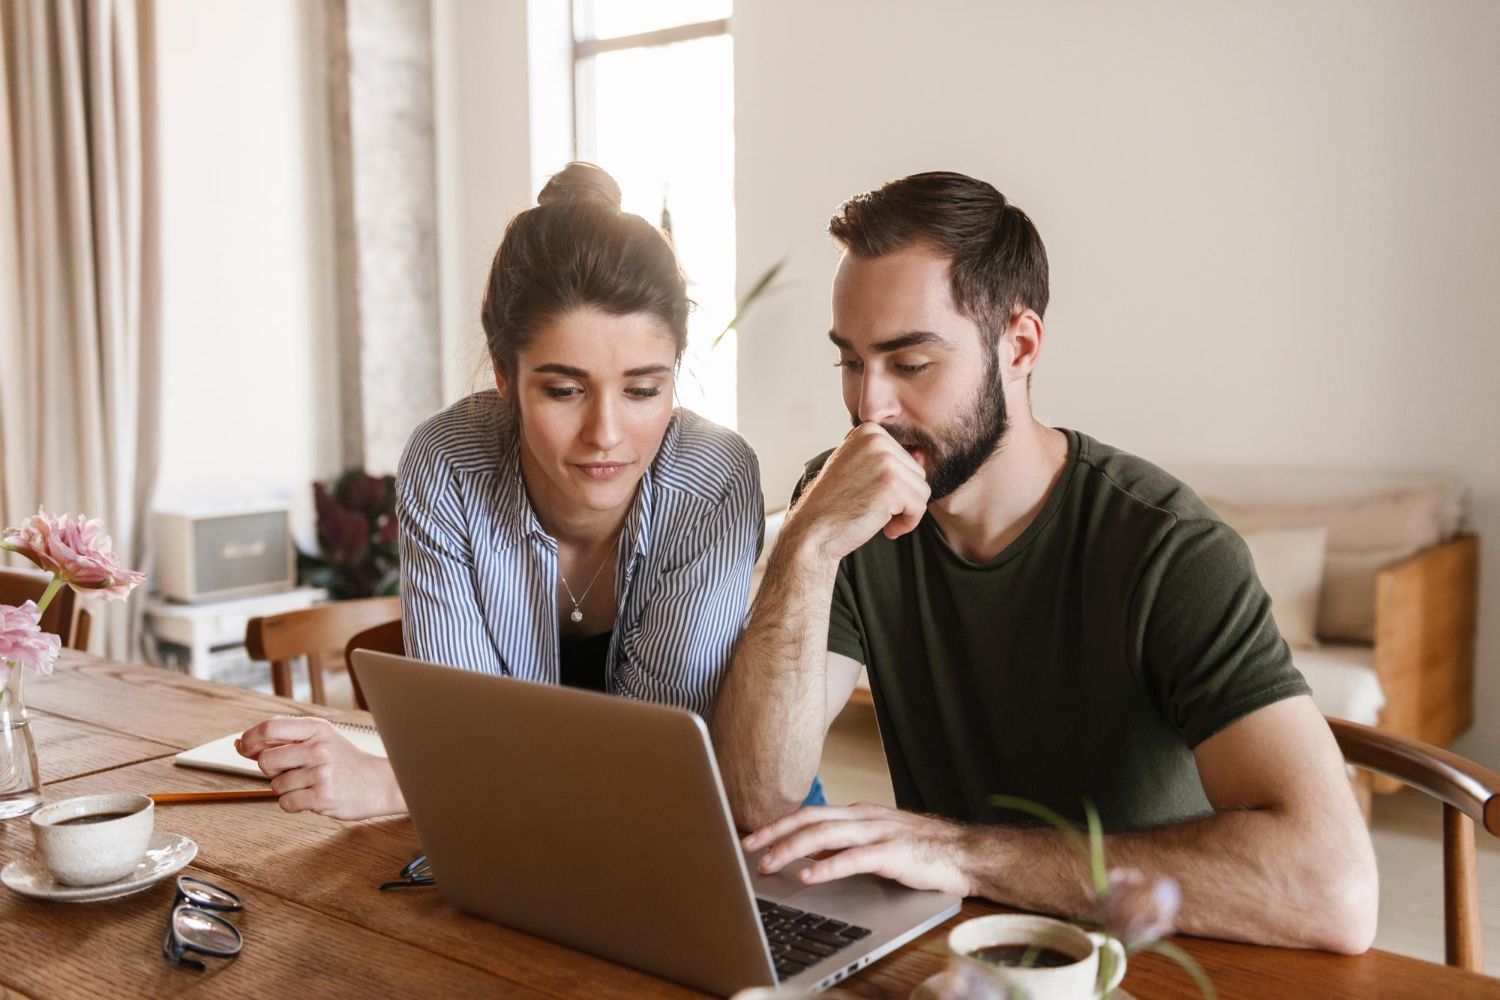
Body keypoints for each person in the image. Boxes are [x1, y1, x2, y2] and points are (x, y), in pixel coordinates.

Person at [710, 171, 1379, 953]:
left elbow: (1334, 888)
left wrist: (960, 852)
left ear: (1019, 345)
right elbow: (756, 798)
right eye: (850, 363)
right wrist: (808, 542)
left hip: (1154, 962)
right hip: (967, 959)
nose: (870, 409)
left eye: (911, 363)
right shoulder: (847, 509)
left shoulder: (1169, 549)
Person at [237, 162, 798, 818]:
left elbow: (654, 770)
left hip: (701, 831)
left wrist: (399, 786)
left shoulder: (713, 480)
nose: (606, 435)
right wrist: (447, 772)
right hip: (513, 837)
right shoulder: (447, 463)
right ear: (504, 374)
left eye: (644, 390)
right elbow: (461, 733)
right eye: (563, 390)